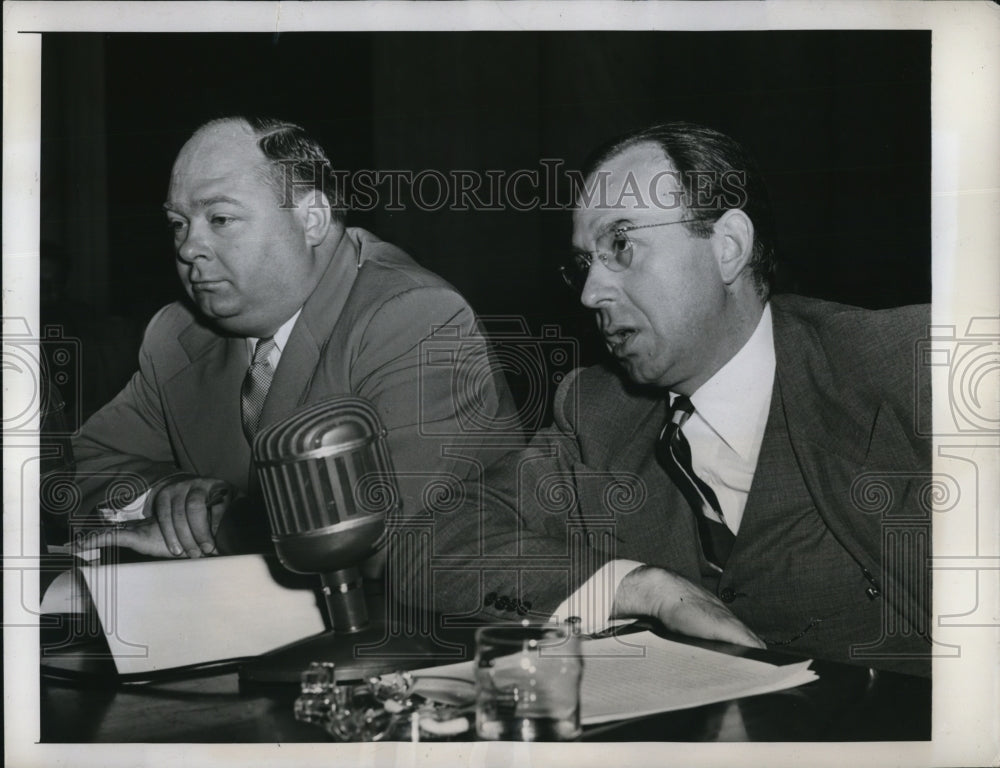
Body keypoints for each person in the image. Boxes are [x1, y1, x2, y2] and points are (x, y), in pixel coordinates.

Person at [404, 122, 932, 676]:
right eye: (584, 263)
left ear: (728, 248)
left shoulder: (908, 368)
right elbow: (427, 544)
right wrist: (640, 587)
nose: (590, 293)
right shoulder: (600, 412)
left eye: (622, 245)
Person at [71, 116, 516, 567]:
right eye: (178, 223)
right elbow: (79, 466)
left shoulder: (415, 316)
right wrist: (164, 498)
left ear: (313, 219)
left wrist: (219, 522)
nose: (188, 247)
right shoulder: (178, 335)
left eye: (220, 218)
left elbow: (390, 540)